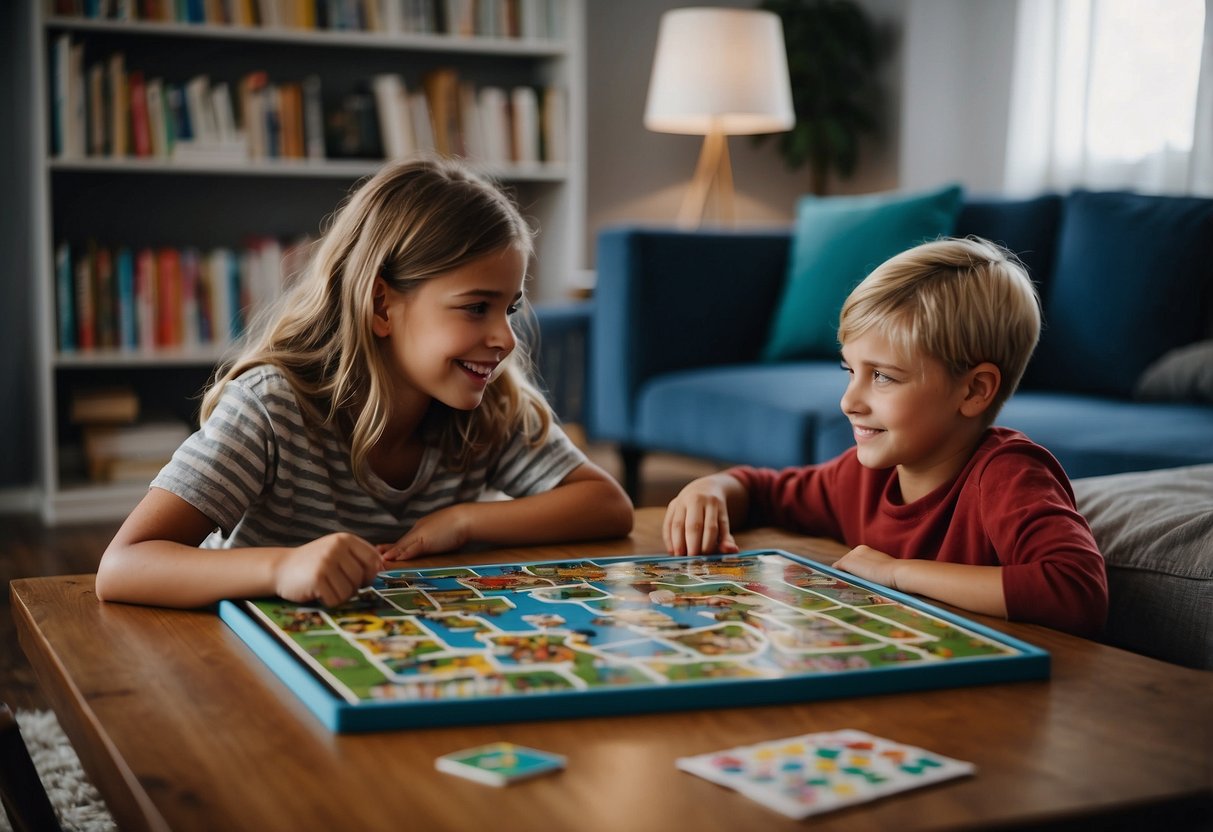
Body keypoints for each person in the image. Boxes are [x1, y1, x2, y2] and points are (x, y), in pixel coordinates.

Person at [96, 158, 633, 609]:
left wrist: (465, 521)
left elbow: (606, 504)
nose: (506, 339)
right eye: (476, 308)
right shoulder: (270, 406)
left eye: (509, 308)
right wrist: (283, 568)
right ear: (381, 304)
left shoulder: (491, 404)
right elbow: (123, 565)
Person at [662, 236, 1107, 637]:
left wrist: (896, 573)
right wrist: (711, 489)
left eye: (883, 377)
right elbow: (764, 493)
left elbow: (1076, 591)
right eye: (850, 370)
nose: (848, 401)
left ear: (973, 391)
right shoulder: (861, 476)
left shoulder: (1009, 476)